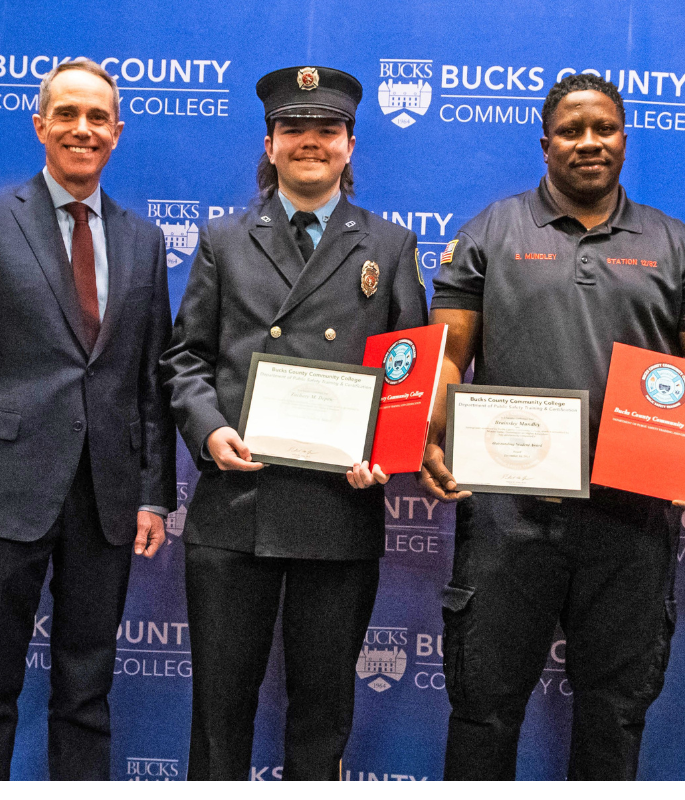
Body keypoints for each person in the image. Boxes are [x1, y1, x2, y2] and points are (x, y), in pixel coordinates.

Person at [160, 66, 427, 780]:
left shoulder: (390, 247)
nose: (311, 142)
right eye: (294, 129)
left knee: (322, 709)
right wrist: (210, 431)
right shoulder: (223, 238)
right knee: (219, 709)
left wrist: (388, 452)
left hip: (338, 507)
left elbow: (408, 375)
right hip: (235, 505)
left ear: (349, 144)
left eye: (327, 130)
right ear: (270, 143)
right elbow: (186, 358)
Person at [421, 73, 684, 780]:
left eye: (604, 128)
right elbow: (447, 359)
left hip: (633, 522)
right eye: (572, 131)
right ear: (546, 144)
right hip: (510, 519)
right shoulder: (490, 232)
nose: (589, 143)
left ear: (626, 138)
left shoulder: (673, 243)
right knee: (483, 711)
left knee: (614, 715)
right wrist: (432, 435)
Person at [0, 58, 176, 781]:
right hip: (3, 496)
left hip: (106, 498)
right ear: (40, 125)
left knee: (87, 691)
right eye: (66, 114)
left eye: (97, 117)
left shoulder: (144, 240)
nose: (82, 129)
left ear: (117, 133)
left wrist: (154, 492)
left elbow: (150, 378)